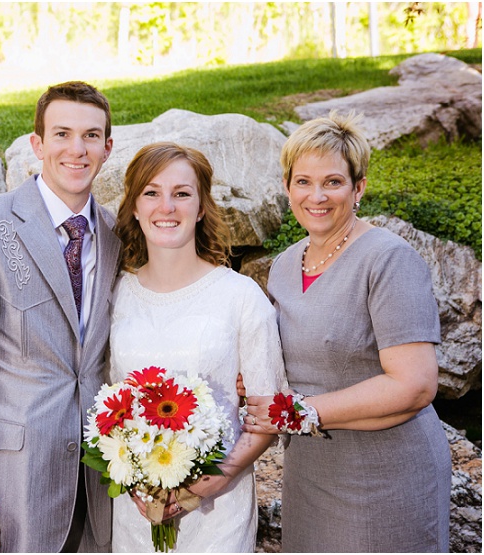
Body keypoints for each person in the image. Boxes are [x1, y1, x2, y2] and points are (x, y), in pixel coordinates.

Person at [243, 112, 451, 552]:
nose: (316, 196)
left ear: (359, 188)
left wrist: (302, 411)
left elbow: (414, 385)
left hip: (386, 476)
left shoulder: (389, 260)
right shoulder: (284, 265)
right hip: (312, 472)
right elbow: (298, 358)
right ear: (287, 187)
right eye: (303, 181)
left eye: (333, 182)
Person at [0, 81, 117, 553]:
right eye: (61, 134)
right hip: (13, 485)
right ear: (37, 144)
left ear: (108, 147)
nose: (77, 149)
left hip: (103, 483)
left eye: (91, 136)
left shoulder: (121, 235)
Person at [106, 142, 286, 552]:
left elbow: (268, 411)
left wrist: (212, 481)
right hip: (134, 513)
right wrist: (131, 473)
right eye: (151, 193)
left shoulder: (241, 297)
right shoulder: (115, 295)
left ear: (202, 207)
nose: (166, 207)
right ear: (134, 206)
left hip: (217, 513)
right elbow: (106, 402)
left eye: (182, 194)